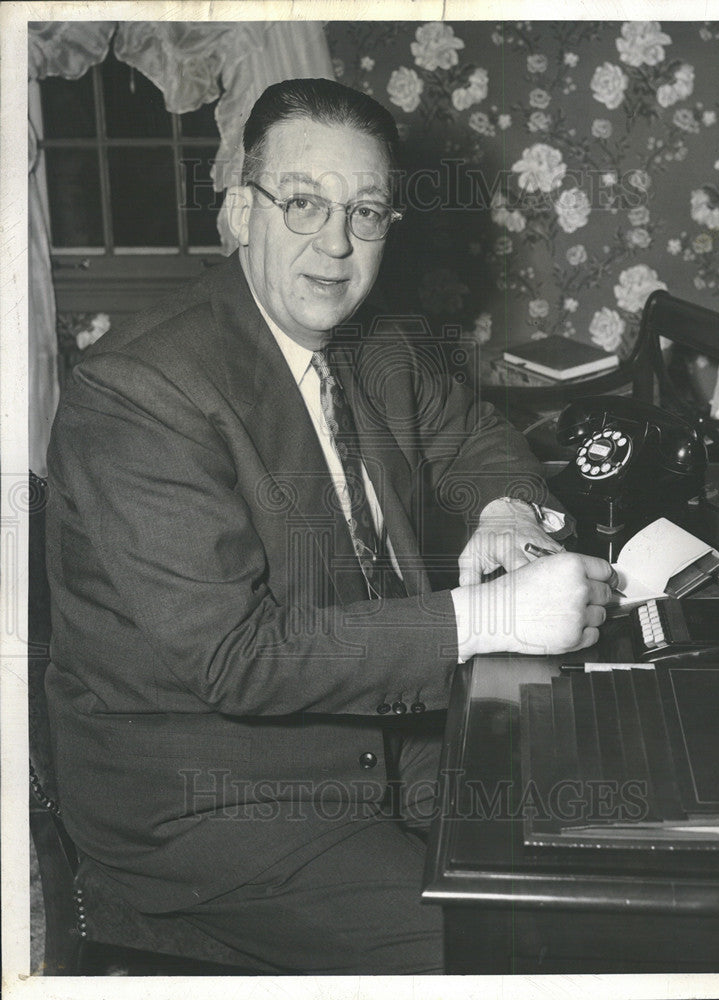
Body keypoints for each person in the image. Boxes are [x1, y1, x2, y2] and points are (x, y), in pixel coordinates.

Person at [45, 78, 614, 975]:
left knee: (610, 859)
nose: (337, 244)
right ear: (240, 212)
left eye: (367, 212)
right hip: (213, 800)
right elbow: (235, 658)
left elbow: (479, 439)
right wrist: (491, 621)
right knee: (502, 955)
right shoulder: (139, 392)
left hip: (387, 734)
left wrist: (505, 511)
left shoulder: (374, 344)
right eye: (303, 203)